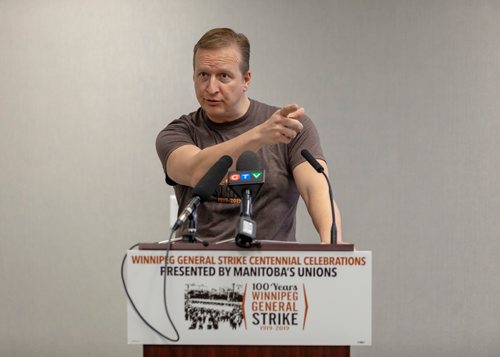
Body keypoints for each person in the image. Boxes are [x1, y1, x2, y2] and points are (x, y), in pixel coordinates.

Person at [156, 28, 342, 244]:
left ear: (246, 80)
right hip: (201, 269)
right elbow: (197, 171)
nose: (211, 88)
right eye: (203, 75)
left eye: (223, 76)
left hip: (275, 271)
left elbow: (315, 191)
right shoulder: (178, 132)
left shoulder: (289, 127)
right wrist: (259, 135)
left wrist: (333, 250)